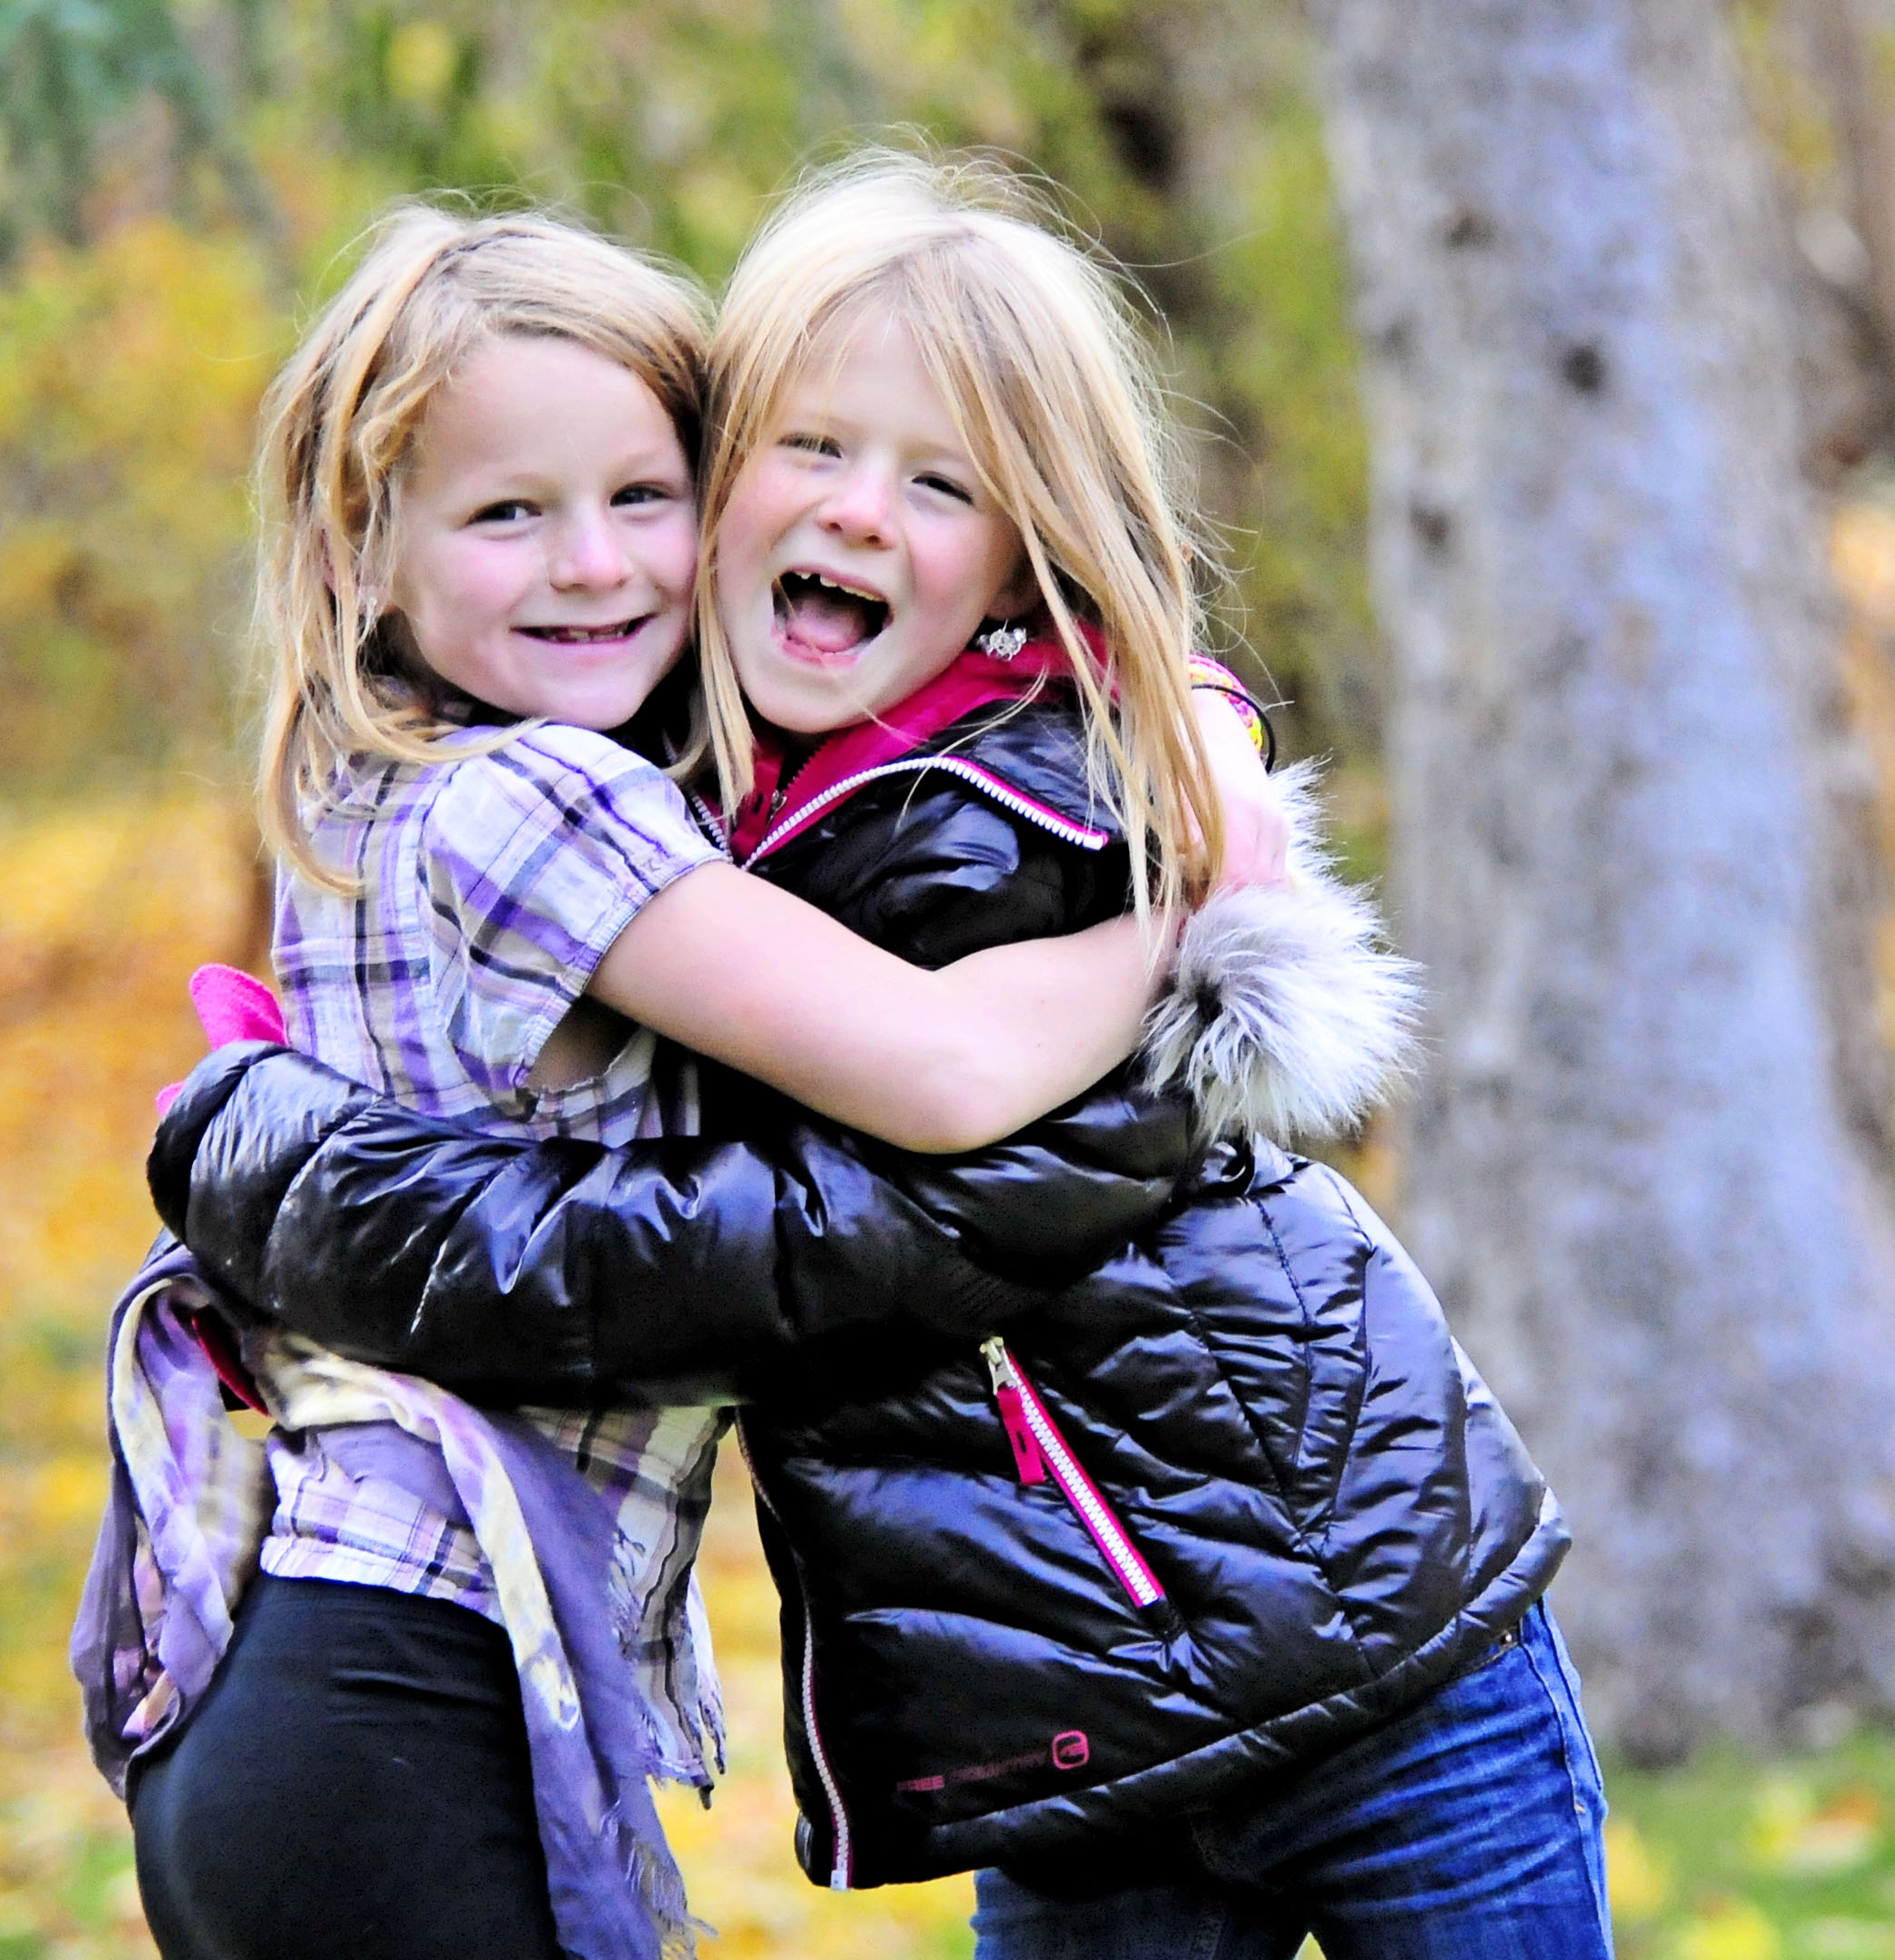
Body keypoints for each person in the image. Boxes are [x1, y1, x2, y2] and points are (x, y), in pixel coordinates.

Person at [154, 153, 1610, 1960]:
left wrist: (1205, 808)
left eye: (942, 483)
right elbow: (859, 1132)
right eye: (811, 448)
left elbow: (940, 1107)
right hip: (1049, 1736)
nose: (857, 511)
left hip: (1380, 1646)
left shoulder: (1054, 778)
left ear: (1022, 549)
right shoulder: (631, 805)